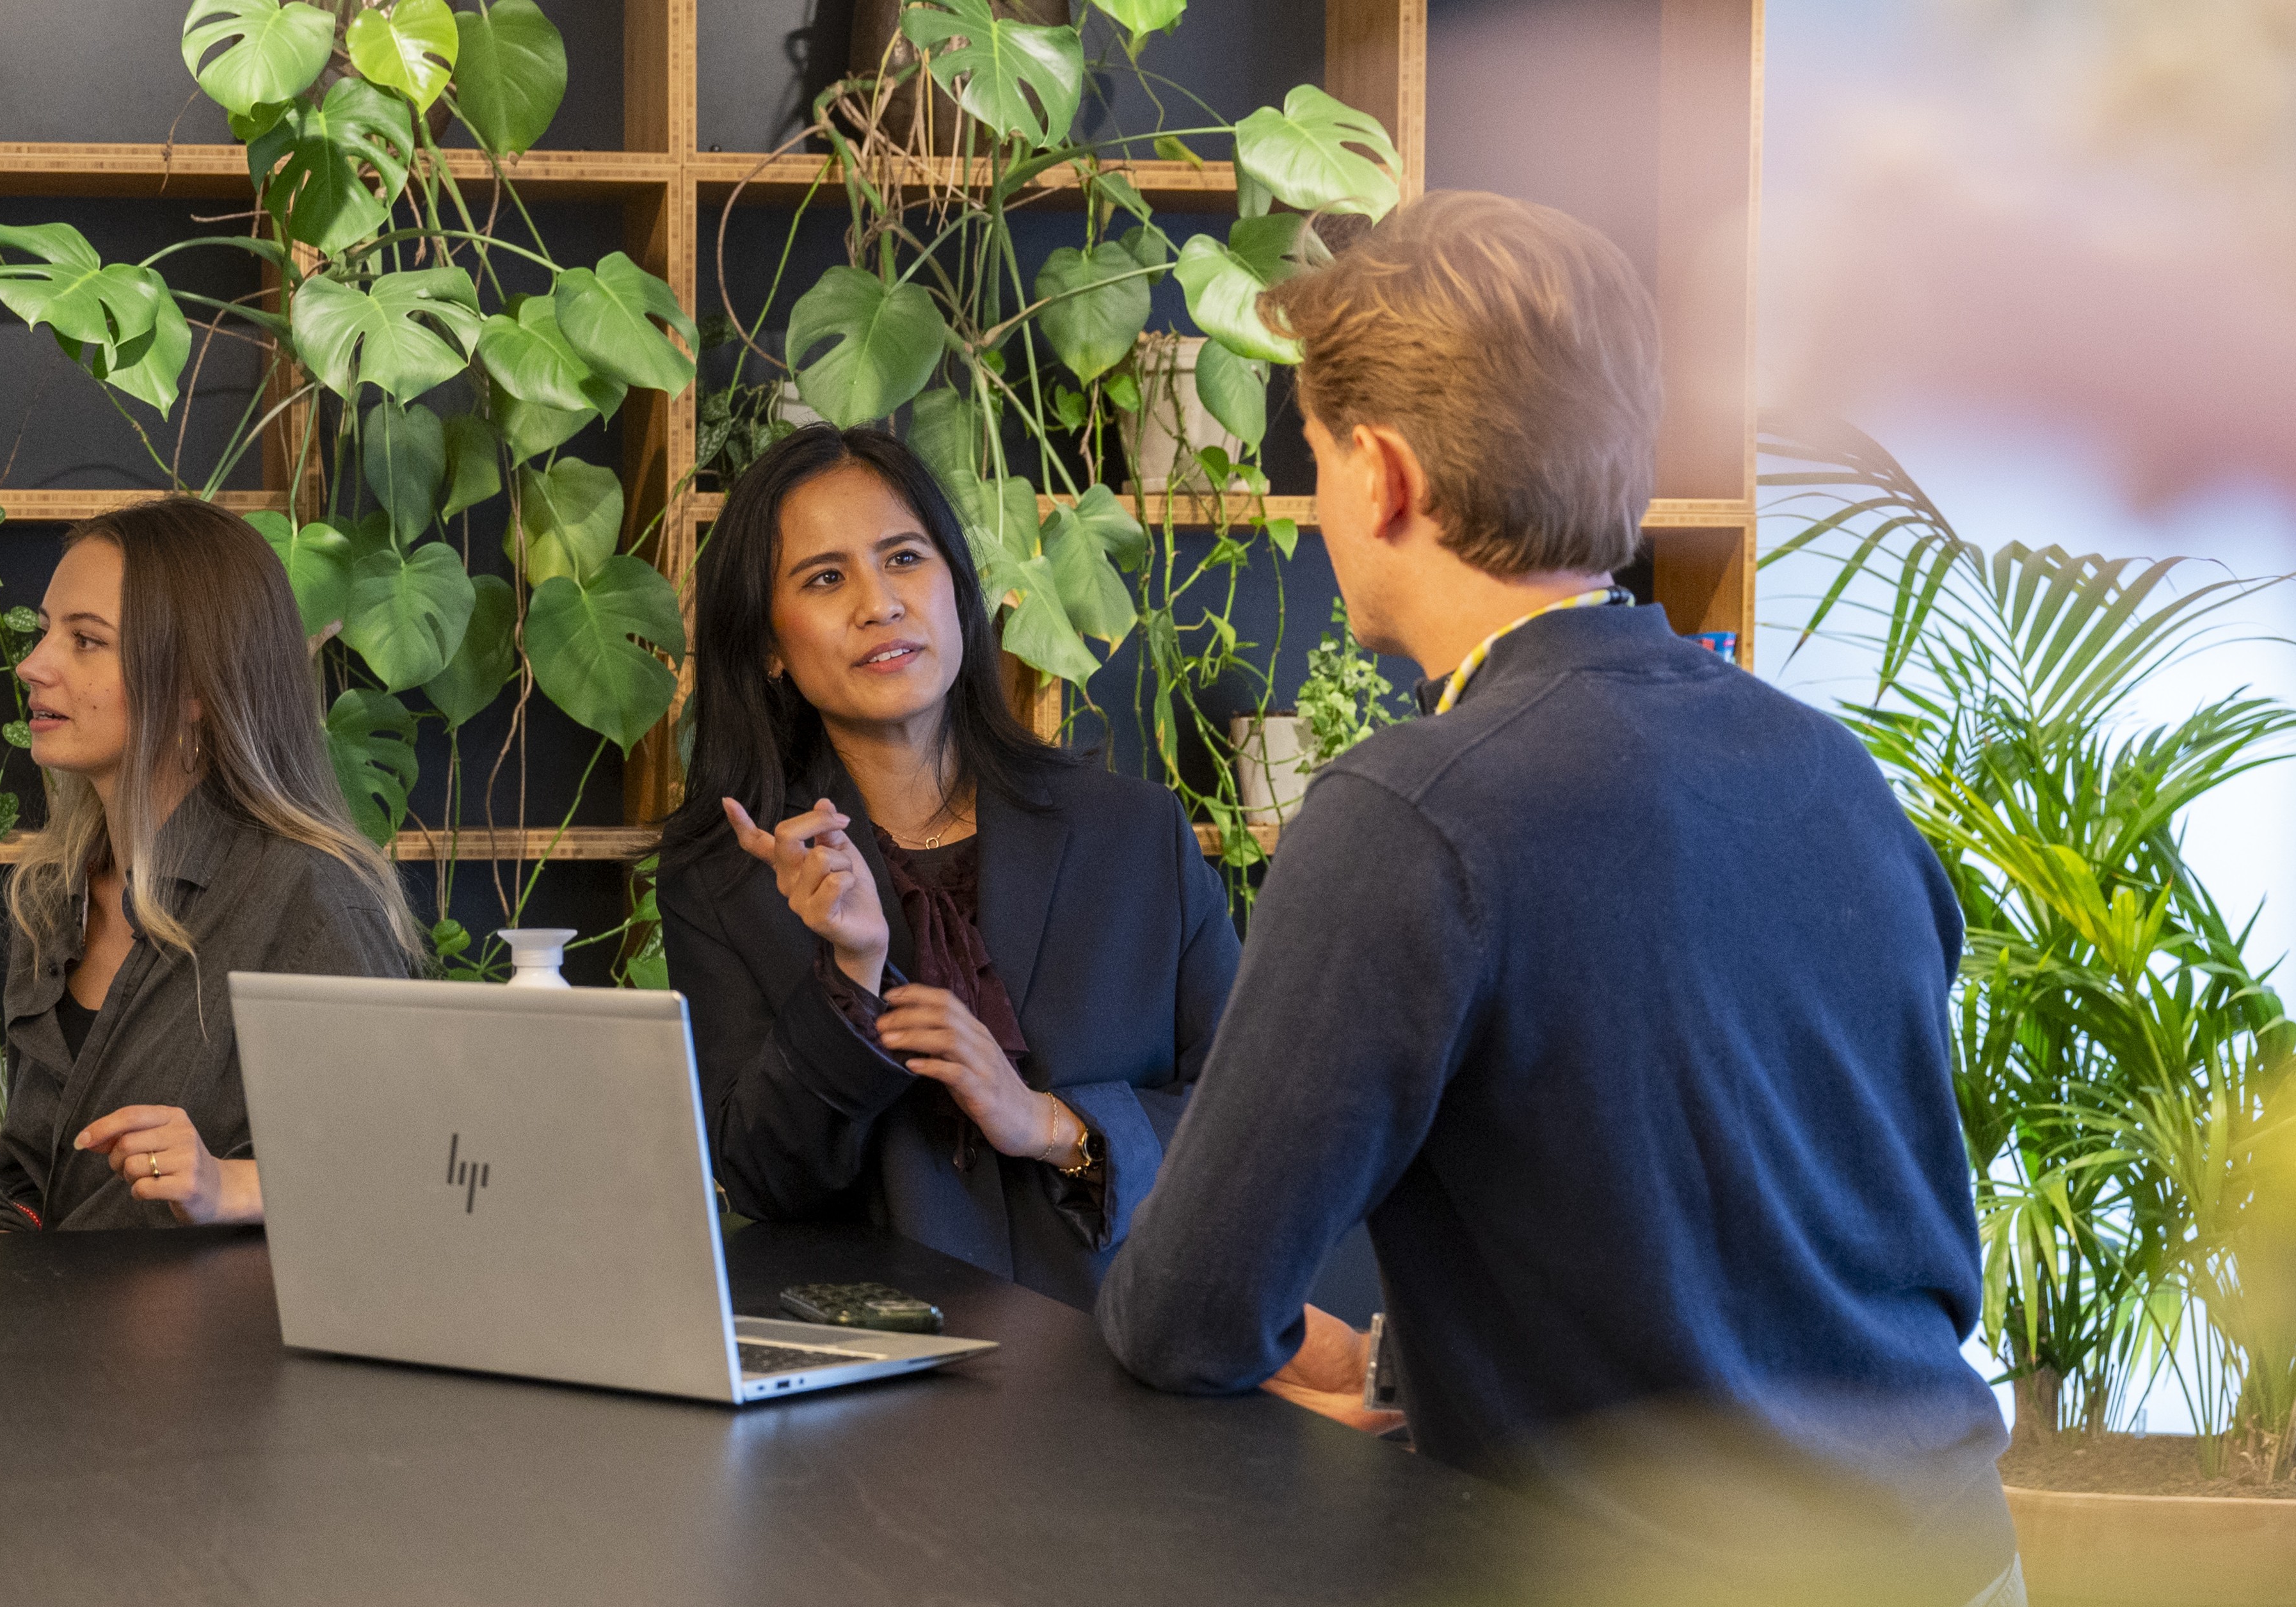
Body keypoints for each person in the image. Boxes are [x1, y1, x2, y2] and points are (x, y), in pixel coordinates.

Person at [1095, 193, 2021, 1604]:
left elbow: (1188, 1315)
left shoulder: (1411, 811)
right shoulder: (1831, 768)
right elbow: (1752, 1230)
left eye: (1316, 456)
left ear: (1386, 477)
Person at [657, 424, 1239, 1309]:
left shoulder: (1135, 834)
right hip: (872, 1399)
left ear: (959, 592)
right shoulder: (728, 878)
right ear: (769, 646)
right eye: (824, 577)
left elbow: (1249, 1120)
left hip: (1125, 1373)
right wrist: (848, 980)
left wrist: (1052, 1124)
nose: (878, 603)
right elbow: (766, 1183)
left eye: (903, 557)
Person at [0, 497, 421, 1234]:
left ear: (197, 689)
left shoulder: (309, 896)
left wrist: (229, 1184)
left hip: (236, 1347)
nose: (33, 665)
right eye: (47, 633)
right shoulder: (51, 898)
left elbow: (416, 1177)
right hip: (55, 1341)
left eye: (86, 642)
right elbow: (28, 1185)